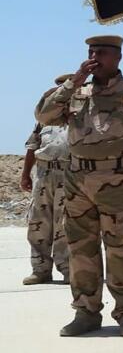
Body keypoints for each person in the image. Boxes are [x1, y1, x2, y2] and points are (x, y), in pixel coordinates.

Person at [35, 36, 123, 337]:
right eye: (91, 52)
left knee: (120, 248)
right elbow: (43, 115)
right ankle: (86, 312)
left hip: (116, 180)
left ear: (118, 57)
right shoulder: (76, 90)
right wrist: (72, 82)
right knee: (81, 249)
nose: (95, 57)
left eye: (102, 52)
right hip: (77, 180)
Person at [20, 75, 73, 285]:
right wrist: (25, 175)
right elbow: (32, 147)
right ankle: (40, 269)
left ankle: (69, 269)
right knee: (38, 222)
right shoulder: (44, 119)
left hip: (69, 174)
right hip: (43, 174)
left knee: (66, 224)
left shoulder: (81, 117)